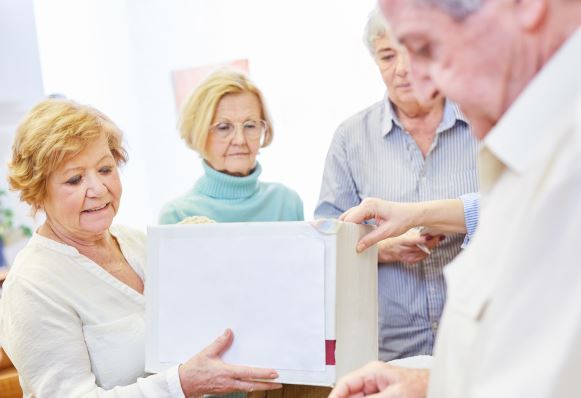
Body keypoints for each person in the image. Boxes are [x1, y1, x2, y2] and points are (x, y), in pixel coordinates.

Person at [330, 0, 581, 397]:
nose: (426, 85)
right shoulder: (529, 143)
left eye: (427, 47)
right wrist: (433, 384)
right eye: (390, 55)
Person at [0, 99, 282, 397]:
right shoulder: (32, 285)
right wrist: (181, 384)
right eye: (74, 179)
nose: (98, 189)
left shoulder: (139, 244)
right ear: (37, 191)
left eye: (106, 169)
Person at [314, 7, 479, 361]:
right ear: (375, 61)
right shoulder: (351, 138)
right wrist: (384, 248)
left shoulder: (483, 121)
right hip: (387, 351)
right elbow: (326, 244)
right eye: (388, 56)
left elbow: (512, 214)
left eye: (412, 52)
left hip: (479, 343)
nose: (402, 69)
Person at [159, 70, 303, 225]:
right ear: (198, 133)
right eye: (223, 127)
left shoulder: (287, 203)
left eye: (250, 125)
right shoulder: (177, 215)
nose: (240, 140)